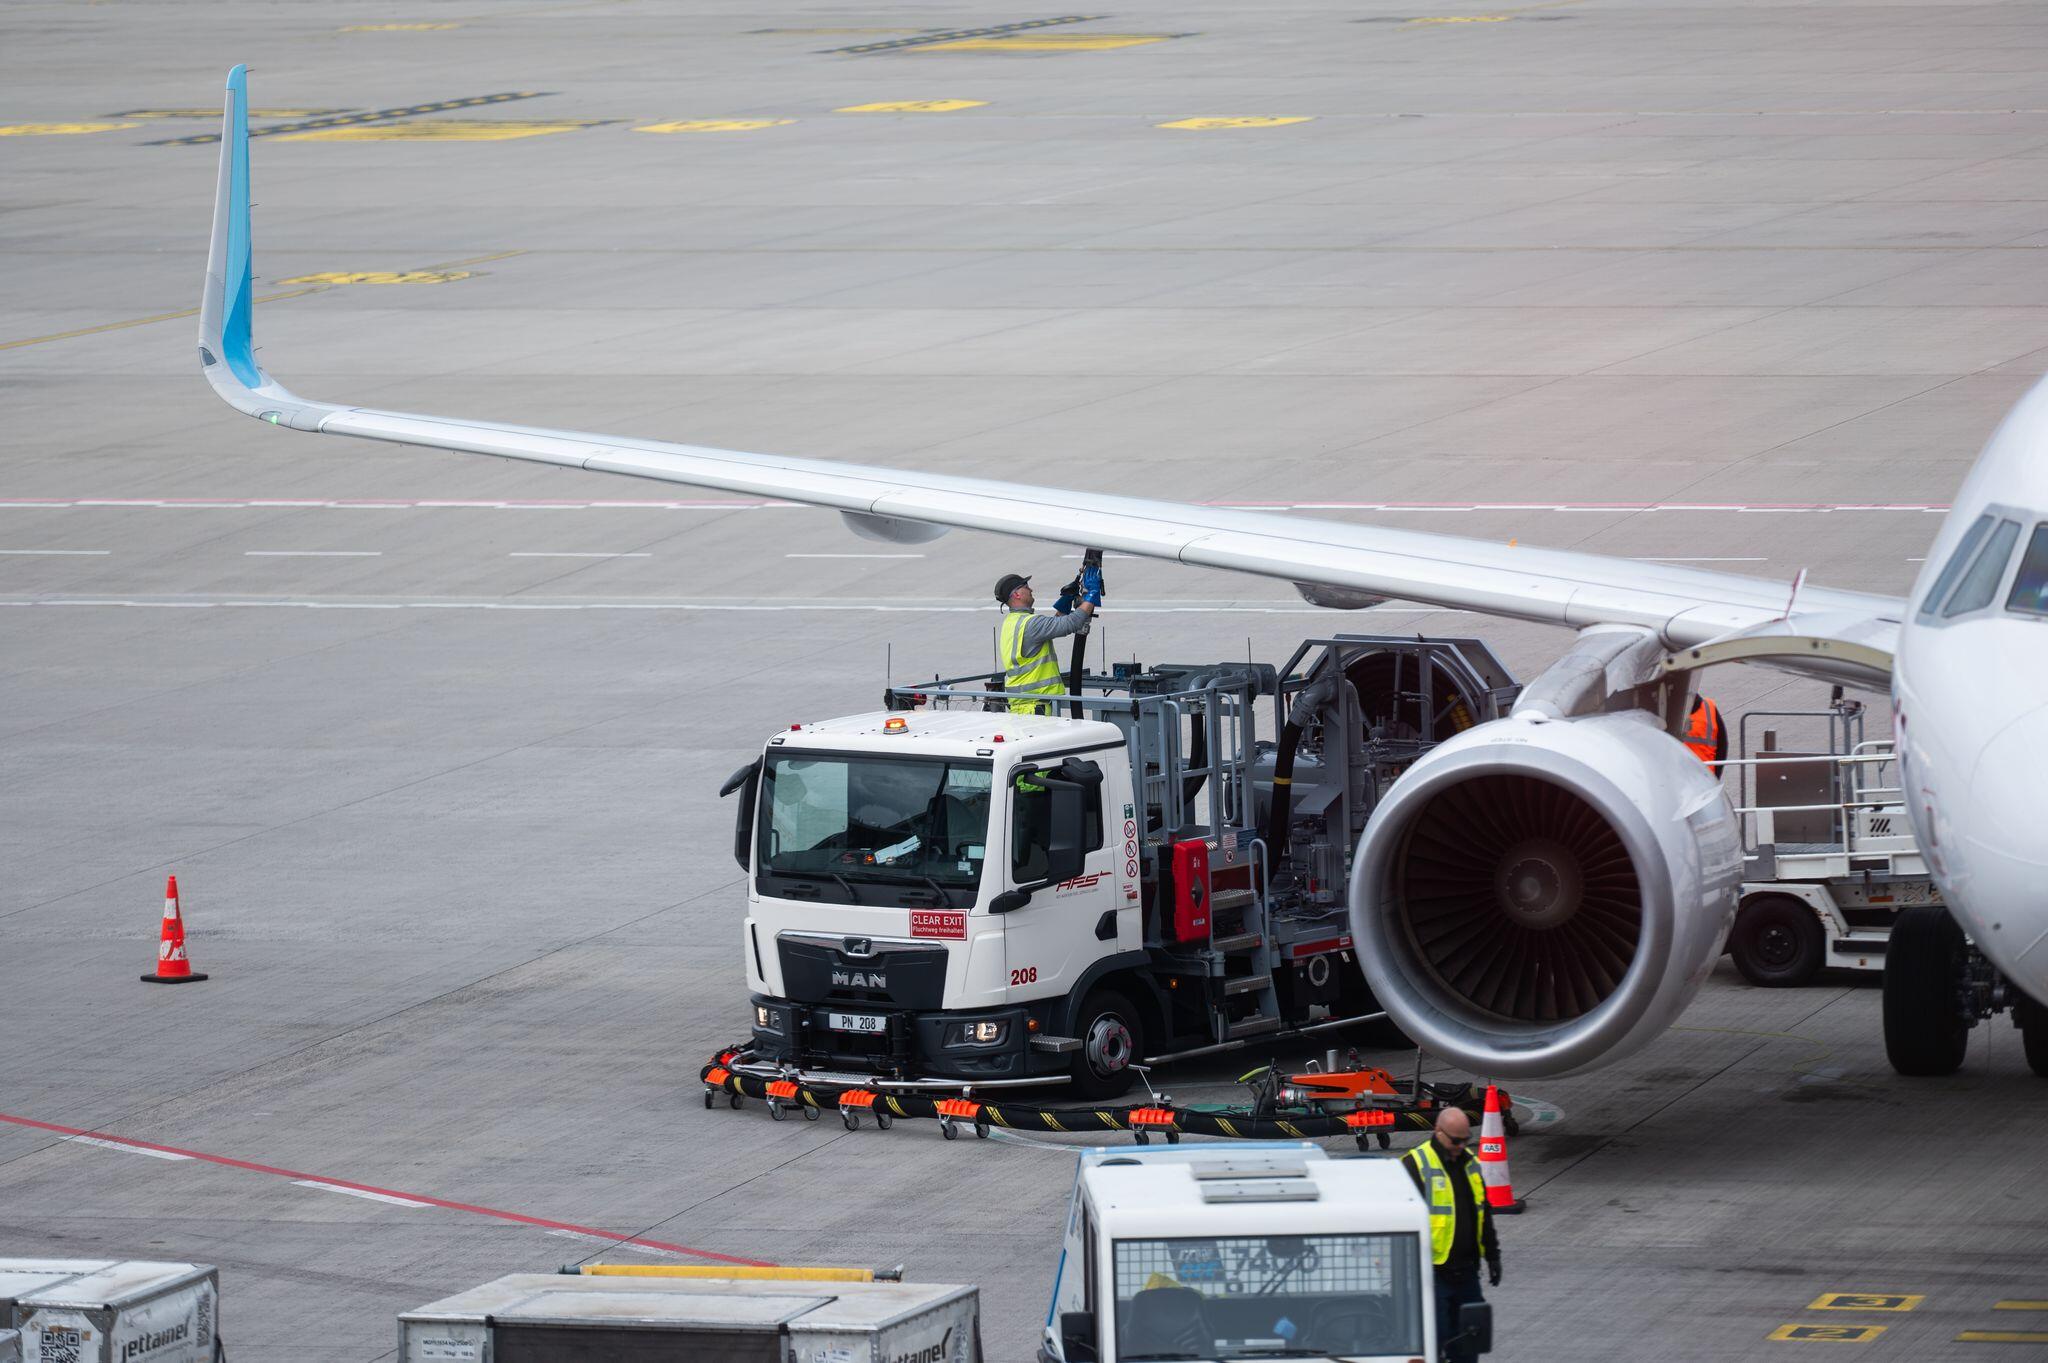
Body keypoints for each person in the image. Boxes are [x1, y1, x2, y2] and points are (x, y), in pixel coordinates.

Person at [1402, 1107, 1500, 1363]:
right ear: (1438, 1131)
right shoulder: (1415, 1164)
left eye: (1466, 1140)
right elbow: (1402, 1221)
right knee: (1437, 1341)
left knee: (1470, 1341)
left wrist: (1493, 1256)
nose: (1461, 1146)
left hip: (1467, 1272)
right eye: (1456, 1141)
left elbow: (1483, 1213)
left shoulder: (1471, 1163)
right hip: (1433, 1275)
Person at [992, 565, 1099, 715]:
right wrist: (1092, 594)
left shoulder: (1012, 622)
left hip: (1024, 707)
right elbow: (1072, 623)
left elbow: (1050, 627)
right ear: (1016, 594)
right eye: (1026, 587)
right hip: (1036, 708)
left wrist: (1066, 600)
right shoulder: (1030, 624)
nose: (1031, 589)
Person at [1683, 693, 1728, 770]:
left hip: (1677, 772)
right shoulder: (1709, 708)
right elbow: (1722, 745)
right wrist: (1715, 774)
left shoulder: (1667, 711)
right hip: (1706, 773)